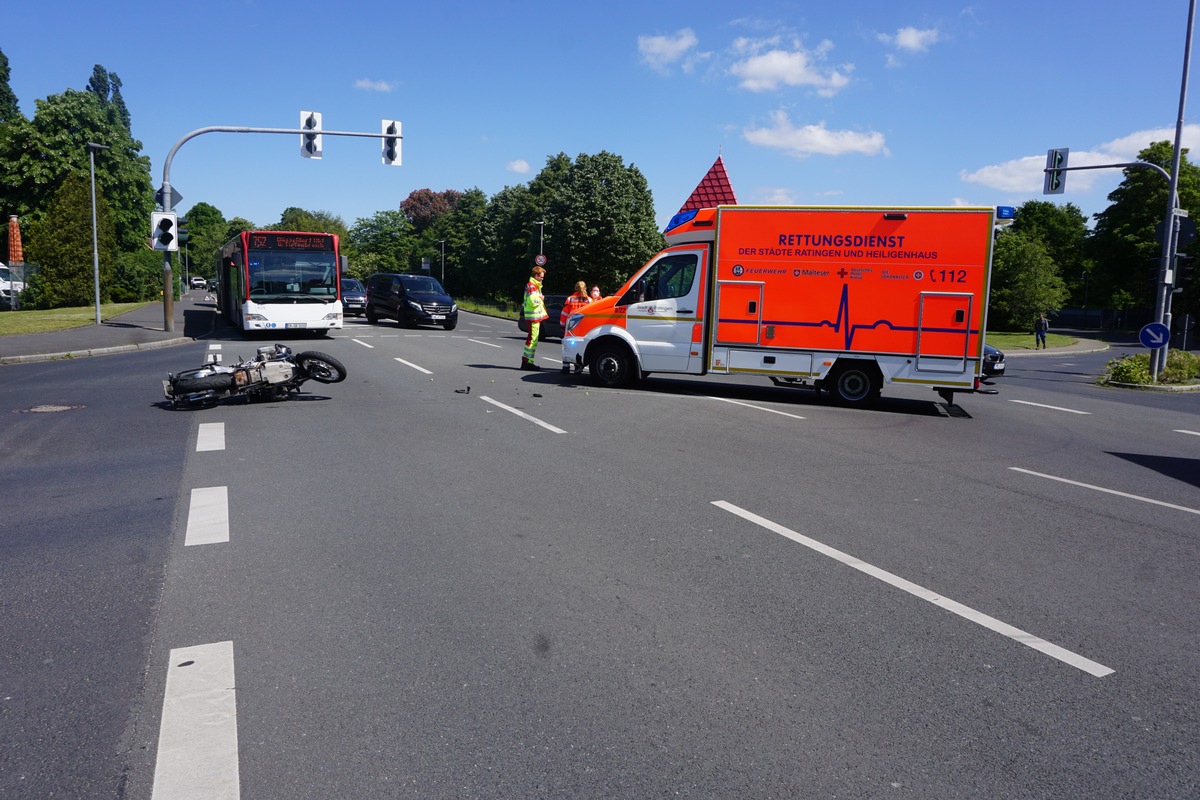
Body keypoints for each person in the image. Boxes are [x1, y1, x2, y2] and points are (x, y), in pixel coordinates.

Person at [521, 266, 548, 370]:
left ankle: (528, 362)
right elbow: (533, 301)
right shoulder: (532, 286)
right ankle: (527, 362)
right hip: (533, 317)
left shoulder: (534, 286)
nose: (542, 278)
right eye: (541, 276)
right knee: (532, 340)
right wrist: (541, 298)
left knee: (533, 339)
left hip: (534, 317)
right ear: (536, 276)